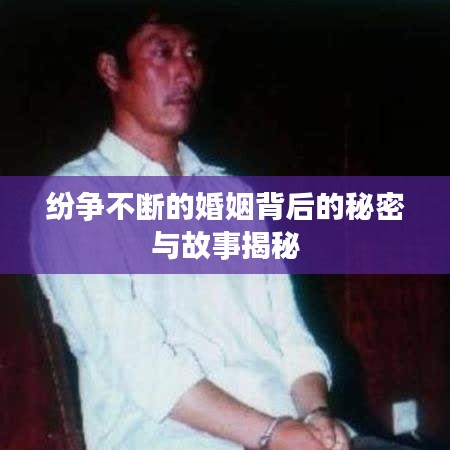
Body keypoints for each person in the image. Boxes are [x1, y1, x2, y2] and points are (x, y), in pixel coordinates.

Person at [30, 5, 421, 450]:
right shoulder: (76, 198)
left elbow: (291, 335)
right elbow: (141, 364)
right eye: (162, 52)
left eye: (192, 53)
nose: (185, 73)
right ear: (110, 70)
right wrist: (272, 434)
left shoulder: (231, 192)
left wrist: (316, 414)